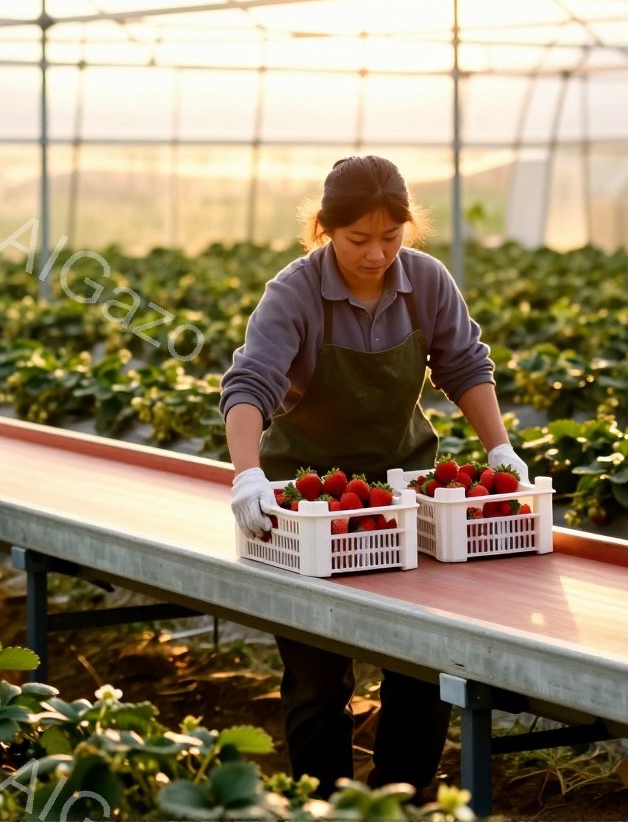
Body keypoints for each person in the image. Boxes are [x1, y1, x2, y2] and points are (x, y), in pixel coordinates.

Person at [218, 154, 527, 796]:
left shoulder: (427, 282)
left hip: (401, 488)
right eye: (360, 238)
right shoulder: (294, 292)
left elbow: (464, 365)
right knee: (318, 671)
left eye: (392, 237)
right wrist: (248, 475)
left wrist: (500, 451)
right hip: (305, 495)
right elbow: (251, 382)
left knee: (420, 656)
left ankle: (403, 802)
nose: (378, 253)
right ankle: (324, 803)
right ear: (326, 229)